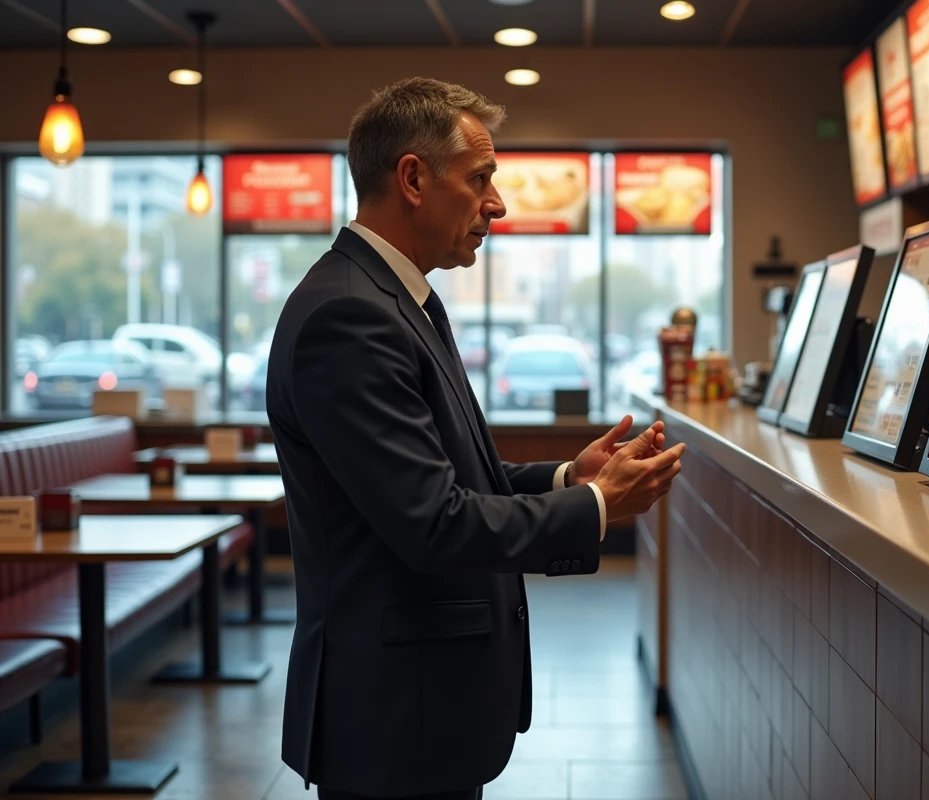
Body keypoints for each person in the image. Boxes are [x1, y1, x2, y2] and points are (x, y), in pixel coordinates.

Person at [266, 76, 686, 800]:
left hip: (418, 707)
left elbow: (449, 484)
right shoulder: (349, 317)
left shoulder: (397, 300)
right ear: (412, 179)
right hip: (395, 715)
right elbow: (433, 524)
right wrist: (595, 509)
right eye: (482, 177)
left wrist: (570, 479)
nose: (498, 202)